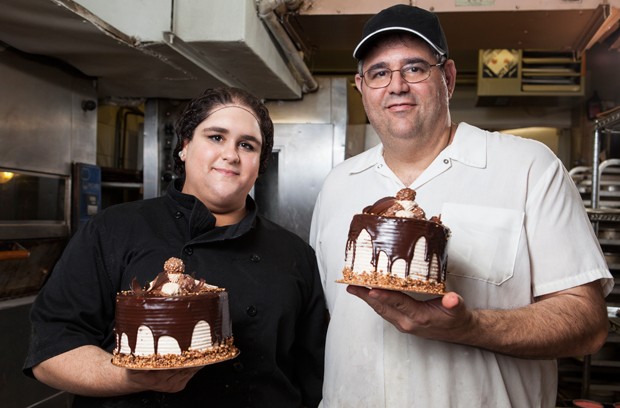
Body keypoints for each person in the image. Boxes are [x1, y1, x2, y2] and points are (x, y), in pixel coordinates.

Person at [309, 5, 613, 408]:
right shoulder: (336, 184)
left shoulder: (528, 168)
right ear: (361, 86)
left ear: (447, 78)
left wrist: (470, 327)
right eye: (379, 73)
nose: (396, 85)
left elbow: (588, 323)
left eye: (415, 68)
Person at [24, 87, 328, 407]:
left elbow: (313, 375)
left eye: (247, 145)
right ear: (184, 146)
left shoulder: (294, 254)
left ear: (260, 163)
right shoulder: (114, 229)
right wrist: (129, 377)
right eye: (215, 137)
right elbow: (51, 350)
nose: (231, 154)